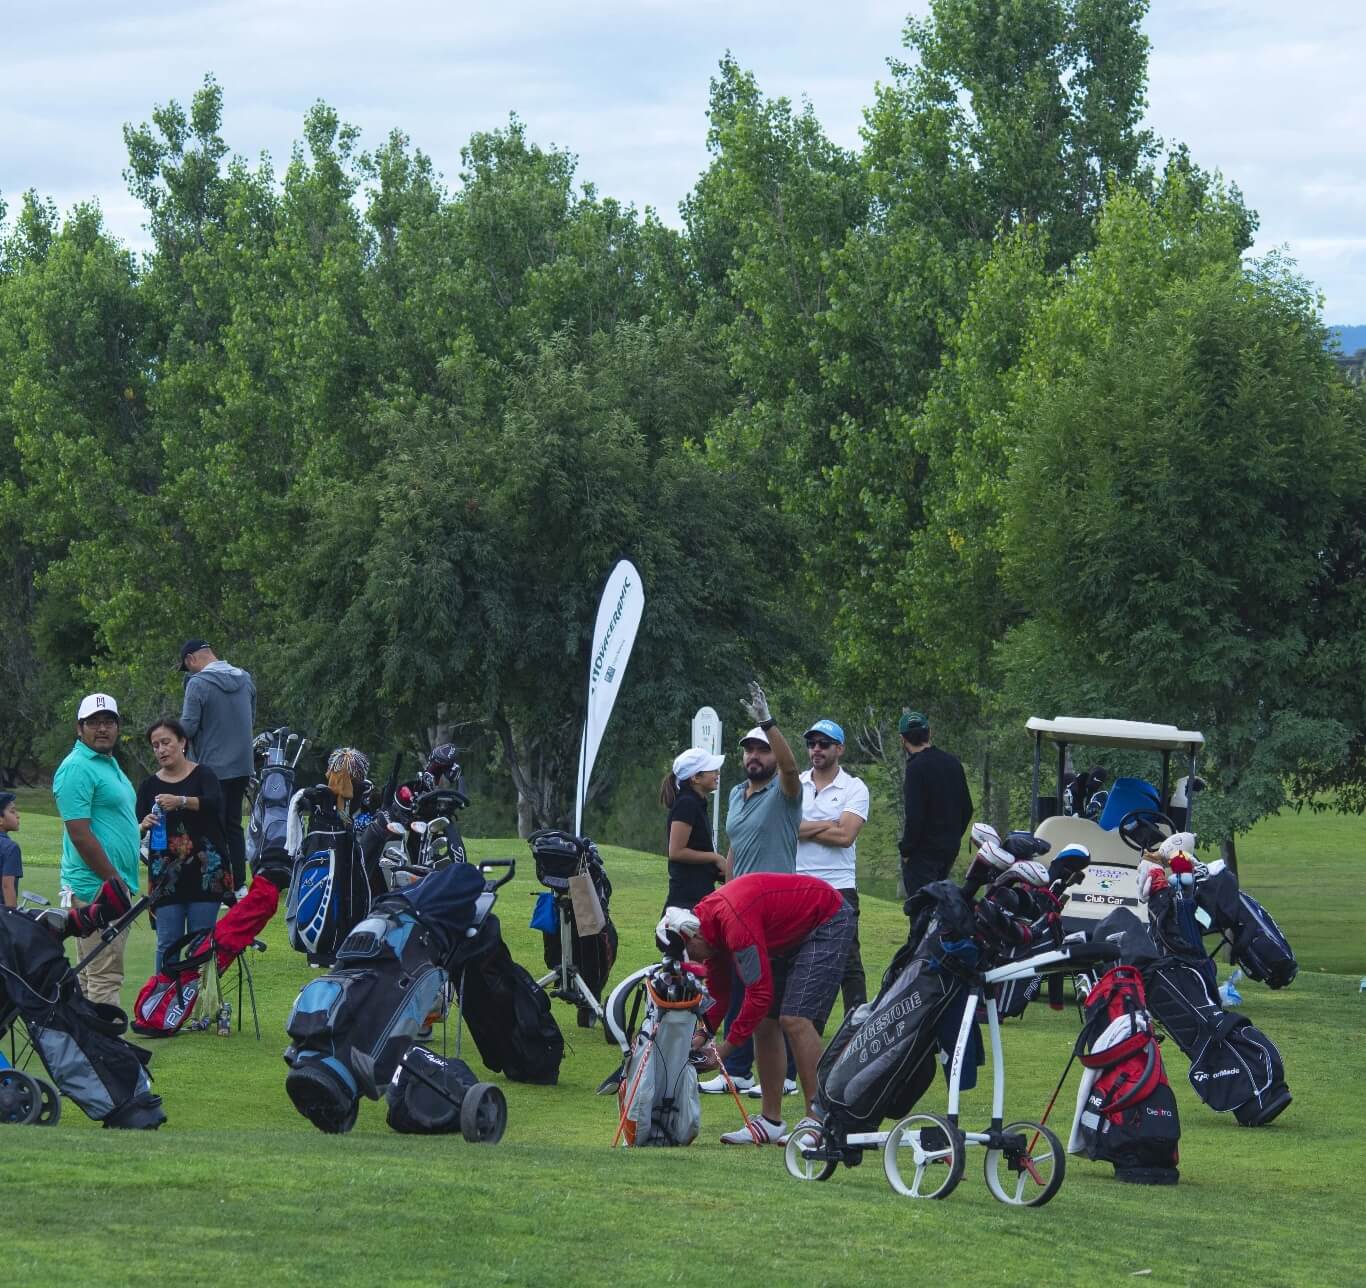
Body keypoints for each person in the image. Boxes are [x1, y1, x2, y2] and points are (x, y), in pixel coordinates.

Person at [662, 871, 855, 1144]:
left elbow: (759, 994)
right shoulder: (706, 928)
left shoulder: (734, 925)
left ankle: (819, 1120)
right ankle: (770, 1120)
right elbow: (719, 990)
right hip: (787, 928)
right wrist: (702, 1034)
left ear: (693, 939)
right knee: (764, 1022)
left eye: (690, 956)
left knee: (795, 1018)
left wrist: (723, 1051)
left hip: (827, 917)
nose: (693, 962)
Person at [700, 682, 802, 1097]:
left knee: (772, 993)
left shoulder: (784, 792)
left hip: (775, 908)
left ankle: (786, 1075)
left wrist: (768, 722)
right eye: (749, 750)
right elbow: (736, 845)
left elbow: (791, 770)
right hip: (739, 907)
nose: (754, 756)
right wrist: (725, 893)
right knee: (741, 984)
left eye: (763, 750)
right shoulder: (737, 795)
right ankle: (737, 1069)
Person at [52, 693, 142, 1008]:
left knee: (91, 976)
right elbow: (79, 833)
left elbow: (112, 822)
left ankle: (86, 1038)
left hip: (107, 885)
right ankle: (105, 1040)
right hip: (97, 890)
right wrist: (114, 880)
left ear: (117, 727)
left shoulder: (108, 764)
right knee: (104, 976)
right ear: (80, 728)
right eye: (93, 723)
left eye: (108, 722)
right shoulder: (77, 767)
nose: (102, 729)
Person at [136, 717, 233, 971]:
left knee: (201, 944)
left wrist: (181, 801)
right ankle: (162, 995)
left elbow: (215, 803)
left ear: (182, 742)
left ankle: (199, 995)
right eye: (155, 745)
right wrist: (143, 824)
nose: (161, 750)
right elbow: (137, 825)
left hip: (205, 875)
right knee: (167, 943)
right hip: (167, 879)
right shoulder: (148, 786)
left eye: (166, 742)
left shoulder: (204, 775)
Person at [795, 718, 869, 1012]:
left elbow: (845, 836)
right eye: (811, 743)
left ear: (839, 749)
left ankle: (858, 1022)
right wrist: (829, 823)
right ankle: (800, 1019)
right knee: (795, 955)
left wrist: (803, 827)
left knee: (848, 961)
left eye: (824, 744)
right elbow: (785, 828)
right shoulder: (795, 783)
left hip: (839, 886)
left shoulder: (854, 787)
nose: (816, 749)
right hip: (798, 883)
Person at [178, 638, 256, 894]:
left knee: (212, 826)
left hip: (212, 768)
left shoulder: (197, 683)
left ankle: (220, 886)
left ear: (191, 659)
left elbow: (188, 726)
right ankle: (240, 886)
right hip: (242, 765)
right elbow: (251, 719)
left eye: (187, 667)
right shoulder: (245, 679)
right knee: (233, 825)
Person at [897, 710, 973, 910]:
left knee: (921, 911)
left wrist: (907, 850)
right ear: (929, 733)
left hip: (922, 854)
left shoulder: (915, 768)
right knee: (940, 910)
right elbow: (967, 808)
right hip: (948, 850)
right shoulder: (953, 763)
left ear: (903, 739)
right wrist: (952, 837)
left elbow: (915, 815)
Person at [659, 747, 727, 911]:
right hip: (687, 899)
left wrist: (714, 870)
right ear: (696, 778)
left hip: (698, 894)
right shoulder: (687, 803)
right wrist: (715, 858)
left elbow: (696, 846)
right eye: (712, 770)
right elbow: (676, 852)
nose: (717, 774)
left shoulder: (695, 802)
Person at [0, 791, 22, 909]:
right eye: (12, 811)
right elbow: (7, 886)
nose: (18, 815)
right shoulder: (10, 848)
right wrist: (12, 915)